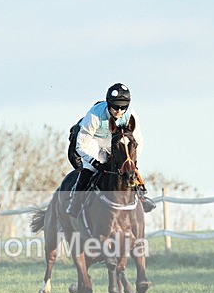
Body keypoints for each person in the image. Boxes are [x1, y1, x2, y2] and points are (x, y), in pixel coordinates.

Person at [66, 82, 155, 216]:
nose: (119, 111)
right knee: (90, 169)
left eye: (123, 107)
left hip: (113, 141)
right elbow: (81, 145)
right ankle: (75, 202)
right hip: (92, 142)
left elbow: (138, 142)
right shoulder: (94, 115)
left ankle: (142, 197)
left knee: (128, 167)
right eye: (115, 106)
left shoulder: (131, 115)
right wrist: (93, 162)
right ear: (108, 103)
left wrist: (130, 160)